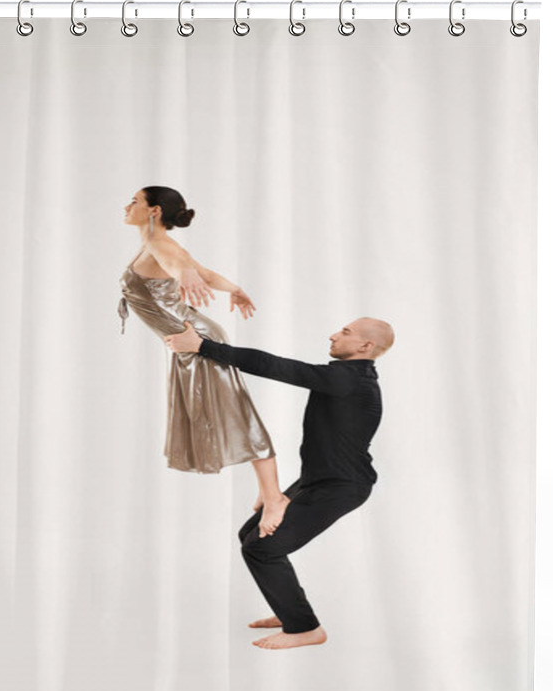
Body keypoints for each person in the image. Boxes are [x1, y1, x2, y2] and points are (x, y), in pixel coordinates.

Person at [164, 316, 395, 650]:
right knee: (250, 535)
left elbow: (276, 366)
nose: (332, 334)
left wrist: (202, 347)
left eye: (345, 332)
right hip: (319, 481)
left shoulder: (350, 380)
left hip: (342, 487)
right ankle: (290, 612)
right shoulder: (347, 378)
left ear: (365, 346)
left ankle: (305, 628)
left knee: (262, 548)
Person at [118, 186, 290, 530]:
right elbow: (203, 272)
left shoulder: (160, 243)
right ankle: (267, 491)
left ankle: (274, 496)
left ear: (153, 211)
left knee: (238, 413)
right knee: (230, 414)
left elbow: (179, 264)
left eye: (135, 200)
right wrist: (235, 289)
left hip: (198, 341)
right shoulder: (155, 244)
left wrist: (187, 274)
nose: (127, 205)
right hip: (190, 341)